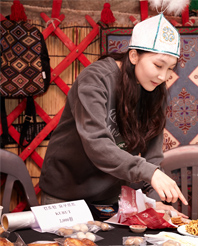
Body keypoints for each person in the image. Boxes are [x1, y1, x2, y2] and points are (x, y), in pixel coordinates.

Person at [39, 14, 188, 215]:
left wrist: (154, 201)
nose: (163, 77)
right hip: (65, 193)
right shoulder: (96, 79)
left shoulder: (155, 90)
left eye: (170, 68)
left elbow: (152, 156)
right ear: (134, 56)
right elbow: (97, 144)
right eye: (158, 65)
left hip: (109, 196)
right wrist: (149, 173)